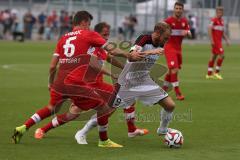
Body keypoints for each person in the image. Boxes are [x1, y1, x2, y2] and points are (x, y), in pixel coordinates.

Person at [34, 22, 148, 142]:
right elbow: (93, 64)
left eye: (108, 34)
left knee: (76, 112)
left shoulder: (101, 48)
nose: (106, 37)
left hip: (94, 84)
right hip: (88, 85)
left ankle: (43, 129)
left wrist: (125, 67)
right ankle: (84, 132)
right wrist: (112, 73)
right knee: (118, 100)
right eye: (104, 34)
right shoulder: (92, 46)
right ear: (97, 34)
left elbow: (109, 58)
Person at [74, 22, 178, 146]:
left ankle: (162, 129)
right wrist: (151, 52)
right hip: (127, 82)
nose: (166, 41)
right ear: (157, 34)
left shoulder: (160, 44)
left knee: (170, 105)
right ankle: (82, 132)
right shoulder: (144, 39)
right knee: (107, 111)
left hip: (144, 80)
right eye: (165, 38)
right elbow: (131, 57)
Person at [162, 2, 191, 100]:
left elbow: (189, 33)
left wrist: (187, 33)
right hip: (169, 48)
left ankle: (163, 90)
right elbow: (160, 32)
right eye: (176, 8)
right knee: (175, 69)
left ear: (182, 10)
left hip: (178, 49)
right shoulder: (168, 21)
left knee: (172, 71)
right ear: (174, 9)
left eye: (180, 8)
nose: (178, 10)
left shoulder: (184, 21)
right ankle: (178, 93)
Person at [206, 6, 230, 80]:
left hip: (219, 42)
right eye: (218, 12)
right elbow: (209, 29)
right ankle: (216, 73)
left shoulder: (222, 21)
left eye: (221, 12)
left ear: (222, 13)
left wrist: (226, 40)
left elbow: (222, 33)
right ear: (216, 13)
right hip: (216, 42)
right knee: (222, 55)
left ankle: (209, 74)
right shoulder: (214, 20)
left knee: (214, 57)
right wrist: (212, 40)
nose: (220, 13)